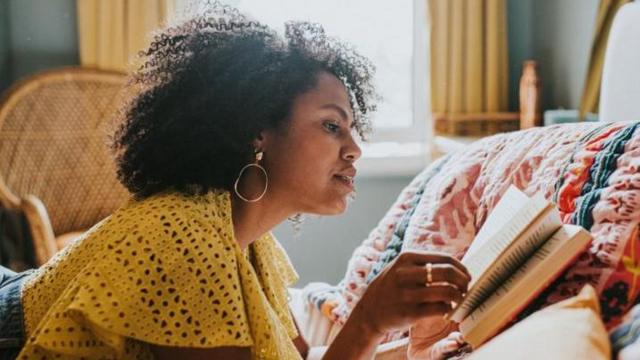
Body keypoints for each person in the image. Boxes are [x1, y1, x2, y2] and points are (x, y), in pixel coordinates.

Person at [5, 4, 470, 359]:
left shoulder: (251, 245)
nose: (354, 149)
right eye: (331, 126)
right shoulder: (182, 241)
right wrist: (367, 319)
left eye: (352, 130)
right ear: (257, 133)